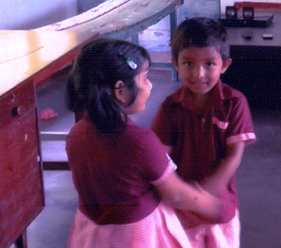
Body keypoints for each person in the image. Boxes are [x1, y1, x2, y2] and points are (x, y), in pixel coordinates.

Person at [65, 38, 223, 247]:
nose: (150, 85)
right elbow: (176, 194)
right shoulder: (140, 142)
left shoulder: (76, 134)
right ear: (120, 91)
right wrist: (208, 204)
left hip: (92, 235)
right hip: (136, 236)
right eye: (145, 78)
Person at [152, 17, 256, 248]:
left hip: (218, 206)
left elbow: (234, 156)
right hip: (179, 211)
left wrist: (202, 195)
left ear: (224, 65)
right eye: (188, 64)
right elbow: (159, 160)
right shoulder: (170, 107)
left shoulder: (234, 103)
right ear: (175, 63)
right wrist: (185, 197)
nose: (199, 74)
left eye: (209, 64)